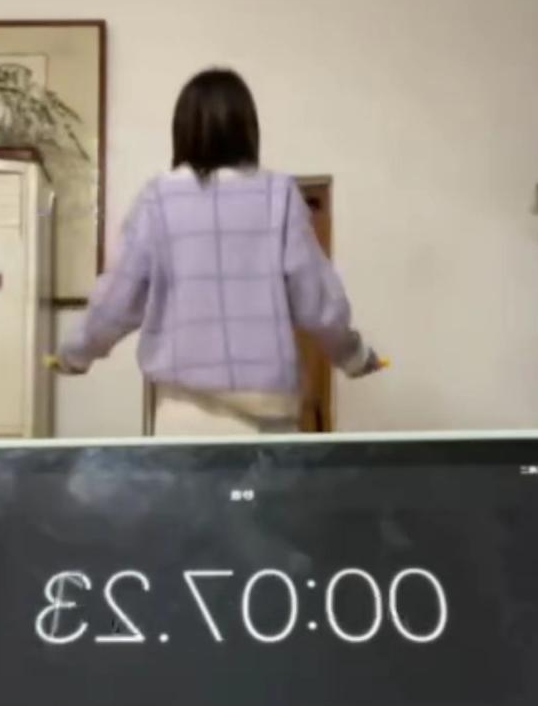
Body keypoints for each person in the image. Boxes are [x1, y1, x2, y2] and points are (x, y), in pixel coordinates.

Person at [57, 68, 382, 434]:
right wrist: (354, 356)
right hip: (269, 410)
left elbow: (117, 299)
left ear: (182, 130)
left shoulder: (158, 198)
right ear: (248, 129)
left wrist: (74, 354)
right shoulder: (278, 195)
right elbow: (318, 302)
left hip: (183, 411)